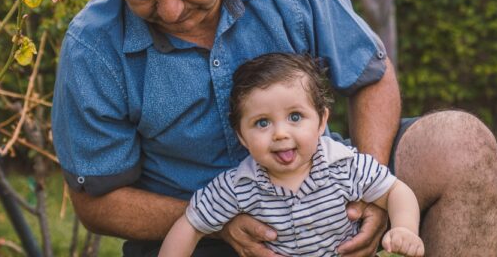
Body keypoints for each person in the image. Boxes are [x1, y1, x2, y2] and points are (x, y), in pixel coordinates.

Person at [51, 0, 497, 257]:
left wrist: (370, 193)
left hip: (329, 189)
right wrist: (220, 221)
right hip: (199, 233)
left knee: (460, 143)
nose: (169, 9)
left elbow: (370, 76)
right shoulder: (92, 48)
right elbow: (97, 202)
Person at [159, 53, 424, 257]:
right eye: (262, 123)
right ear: (241, 136)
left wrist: (404, 228)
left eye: (295, 117)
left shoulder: (343, 165)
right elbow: (191, 224)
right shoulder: (239, 185)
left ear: (321, 122)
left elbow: (395, 191)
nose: (280, 134)